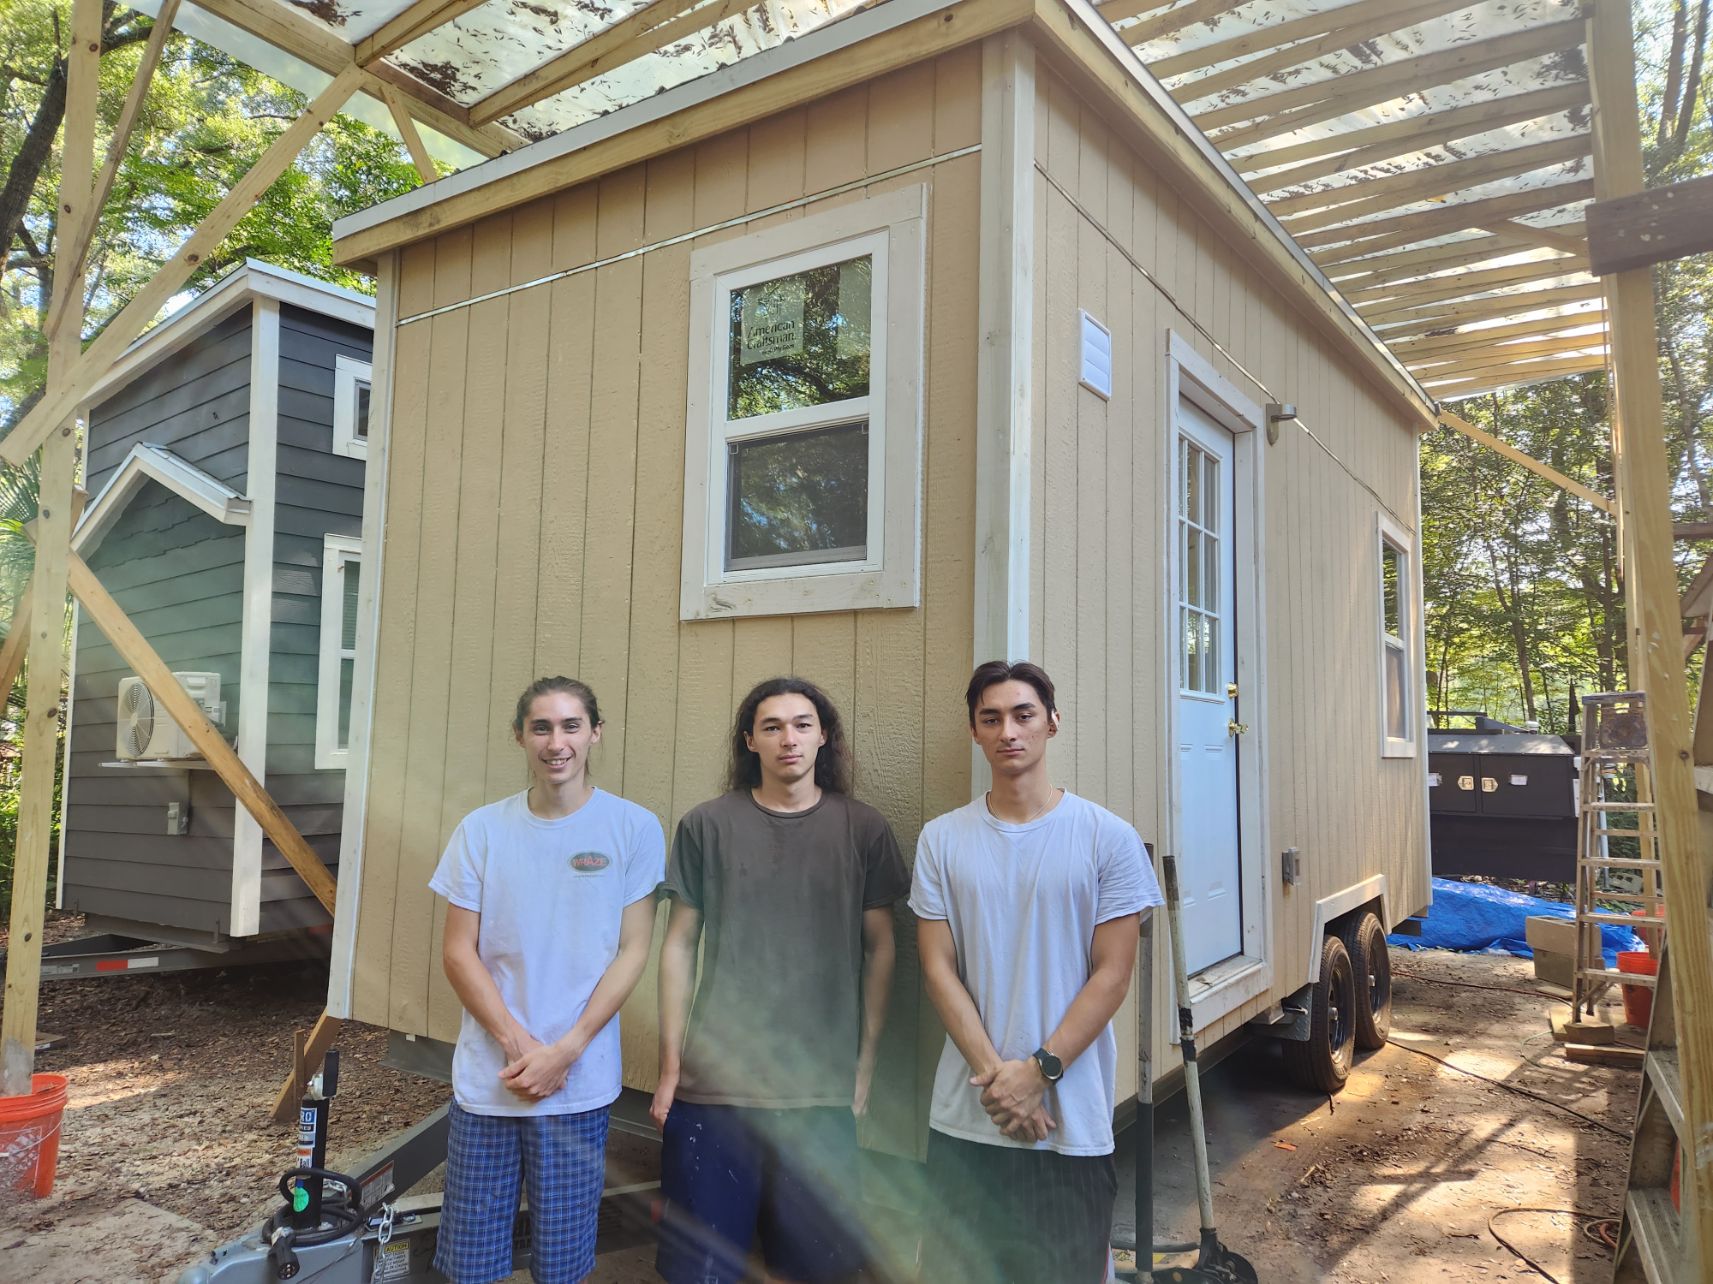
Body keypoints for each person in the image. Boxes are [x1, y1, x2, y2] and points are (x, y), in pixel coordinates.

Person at [910, 659, 1162, 1284]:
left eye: (1024, 715)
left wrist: (1040, 1072)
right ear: (974, 732)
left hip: (1069, 1122)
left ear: (1052, 722)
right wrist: (1003, 1081)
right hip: (968, 1117)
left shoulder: (1108, 837)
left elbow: (1113, 975)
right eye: (990, 718)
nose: (1008, 731)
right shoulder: (941, 840)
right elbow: (938, 968)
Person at [652, 676, 910, 1284]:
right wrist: (669, 1068)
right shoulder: (707, 825)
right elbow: (678, 947)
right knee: (704, 1268)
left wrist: (863, 1067)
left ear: (824, 737)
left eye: (801, 725)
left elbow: (881, 951)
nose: (787, 738)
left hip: (819, 1090)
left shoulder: (863, 829)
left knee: (815, 1266)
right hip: (713, 1088)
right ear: (750, 741)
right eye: (771, 726)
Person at [428, 676, 665, 1284]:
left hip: (579, 1079)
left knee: (563, 1260)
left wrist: (566, 1051)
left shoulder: (633, 828)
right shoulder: (481, 830)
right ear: (520, 736)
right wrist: (517, 1045)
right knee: (472, 1259)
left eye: (570, 726)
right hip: (492, 1078)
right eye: (541, 727)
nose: (556, 742)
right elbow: (459, 952)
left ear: (594, 734)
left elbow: (632, 950)